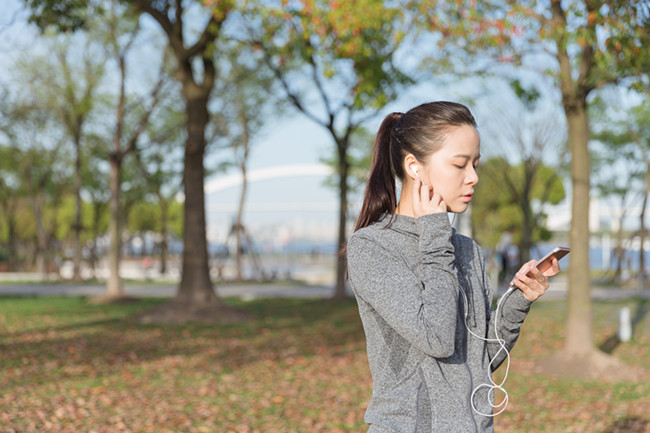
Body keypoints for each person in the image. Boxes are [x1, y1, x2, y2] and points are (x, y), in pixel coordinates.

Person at [346, 101, 560, 432]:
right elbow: (437, 339)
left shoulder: (467, 250)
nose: (473, 177)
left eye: (475, 164)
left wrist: (519, 299)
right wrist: (435, 235)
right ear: (414, 167)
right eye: (460, 165)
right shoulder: (372, 248)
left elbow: (482, 358)